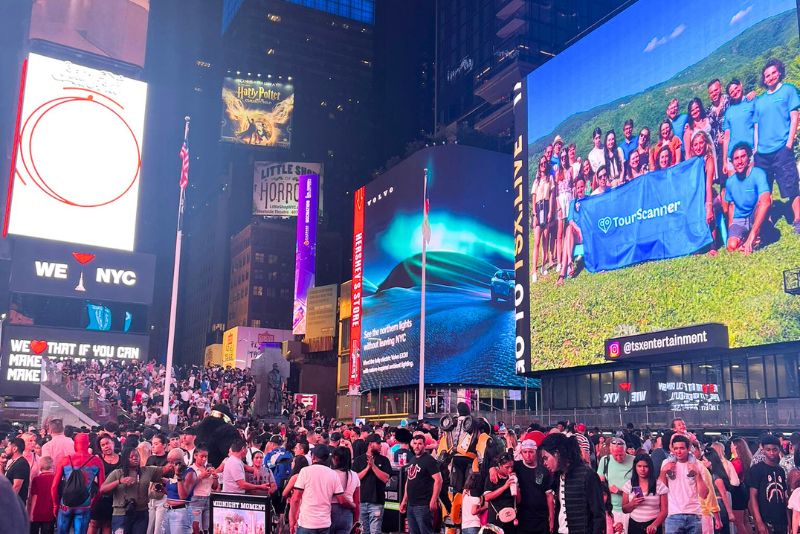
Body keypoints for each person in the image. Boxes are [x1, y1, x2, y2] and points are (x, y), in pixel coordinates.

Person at [753, 58, 800, 234]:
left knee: (791, 186)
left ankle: (797, 219)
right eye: (767, 75)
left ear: (779, 72)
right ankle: (767, 221)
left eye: (773, 73)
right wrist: (756, 148)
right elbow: (756, 126)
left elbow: (795, 117)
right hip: (762, 153)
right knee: (765, 189)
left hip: (782, 148)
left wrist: (789, 143)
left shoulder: (788, 90)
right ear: (764, 80)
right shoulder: (760, 101)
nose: (770, 77)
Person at [539, 433, 605, 534]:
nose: (544, 463)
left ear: (557, 453)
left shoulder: (588, 475)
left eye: (546, 458)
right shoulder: (558, 476)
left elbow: (598, 515)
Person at [100, 447, 168, 534]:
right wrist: (119, 481)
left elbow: (165, 469)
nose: (135, 458)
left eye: (137, 456)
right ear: (125, 458)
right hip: (121, 514)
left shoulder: (146, 471)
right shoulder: (117, 473)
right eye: (131, 457)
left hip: (141, 513)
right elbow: (102, 489)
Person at [291, 444, 353, 534]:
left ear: (313, 457)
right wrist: (353, 505)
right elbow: (341, 499)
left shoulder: (305, 471)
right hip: (324, 523)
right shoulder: (332, 474)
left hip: (307, 523)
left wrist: (293, 520)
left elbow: (295, 498)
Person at [52, 433, 105, 534]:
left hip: (65, 505)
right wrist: (92, 503)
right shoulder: (97, 461)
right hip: (84, 505)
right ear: (88, 444)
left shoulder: (65, 460)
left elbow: (54, 486)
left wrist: (55, 505)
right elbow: (101, 488)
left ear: (75, 444)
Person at [724, 143, 771, 255]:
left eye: (743, 156)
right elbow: (731, 206)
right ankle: (749, 240)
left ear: (749, 158)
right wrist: (731, 228)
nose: (739, 161)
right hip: (740, 219)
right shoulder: (730, 182)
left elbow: (766, 201)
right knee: (731, 246)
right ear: (732, 162)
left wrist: (752, 235)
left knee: (764, 201)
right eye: (736, 158)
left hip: (755, 215)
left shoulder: (758, 174)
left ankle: (755, 235)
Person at [659, 435, 709, 534]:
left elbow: (704, 495)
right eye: (676, 448)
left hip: (694, 514)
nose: (678, 451)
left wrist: (697, 474)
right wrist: (663, 471)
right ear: (672, 449)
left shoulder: (698, 465)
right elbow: (660, 489)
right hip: (673, 515)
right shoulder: (666, 463)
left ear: (688, 448)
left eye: (682, 448)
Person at [399, 434, 443, 534]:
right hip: (411, 505)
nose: (417, 446)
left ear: (424, 445)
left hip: (423, 505)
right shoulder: (412, 459)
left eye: (420, 444)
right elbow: (408, 481)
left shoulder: (429, 460)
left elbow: (438, 480)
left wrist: (433, 499)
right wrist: (404, 501)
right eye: (415, 443)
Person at [746, 434, 789, 534]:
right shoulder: (756, 469)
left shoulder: (781, 470)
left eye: (775, 449)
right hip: (765, 519)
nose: (771, 453)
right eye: (768, 450)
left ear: (779, 450)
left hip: (781, 520)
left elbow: (785, 497)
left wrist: (789, 521)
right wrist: (759, 522)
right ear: (763, 450)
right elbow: (753, 497)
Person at [354, 433, 391, 534]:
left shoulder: (384, 460)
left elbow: (386, 478)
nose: (380, 445)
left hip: (377, 502)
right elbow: (355, 479)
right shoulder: (358, 460)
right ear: (370, 444)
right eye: (378, 443)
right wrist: (367, 468)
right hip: (361, 502)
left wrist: (373, 466)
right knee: (363, 531)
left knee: (375, 531)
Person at [622, 454, 668, 534]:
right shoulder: (629, 485)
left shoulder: (659, 485)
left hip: (653, 524)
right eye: (639, 466)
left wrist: (654, 525)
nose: (642, 469)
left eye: (645, 466)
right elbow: (624, 509)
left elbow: (664, 511)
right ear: (635, 467)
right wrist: (632, 504)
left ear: (650, 468)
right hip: (634, 525)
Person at [597, 436, 634, 531]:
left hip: (630, 509)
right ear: (610, 451)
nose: (618, 458)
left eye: (621, 455)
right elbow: (600, 485)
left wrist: (621, 492)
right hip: (611, 509)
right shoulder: (605, 461)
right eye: (615, 455)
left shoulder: (634, 461)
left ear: (625, 450)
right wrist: (607, 489)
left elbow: (640, 487)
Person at [89, 434, 120, 534]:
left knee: (107, 524)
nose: (106, 446)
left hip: (114, 496)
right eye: (103, 445)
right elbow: (91, 476)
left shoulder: (122, 459)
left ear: (113, 443)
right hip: (98, 496)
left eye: (107, 443)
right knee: (94, 523)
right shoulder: (97, 459)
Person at [483, 453, 519, 534]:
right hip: (495, 522)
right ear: (500, 465)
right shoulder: (492, 477)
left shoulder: (513, 477)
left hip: (510, 521)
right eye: (507, 467)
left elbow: (518, 501)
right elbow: (487, 497)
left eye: (511, 467)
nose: (510, 470)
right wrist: (504, 487)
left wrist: (516, 486)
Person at [531, 155, 554, 282]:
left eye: (545, 163)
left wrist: (550, 211)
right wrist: (534, 215)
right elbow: (533, 198)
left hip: (546, 208)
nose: (543, 165)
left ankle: (544, 265)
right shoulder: (536, 181)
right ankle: (534, 270)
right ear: (539, 166)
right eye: (541, 164)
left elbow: (550, 196)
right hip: (538, 209)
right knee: (537, 242)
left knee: (546, 239)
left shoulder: (550, 179)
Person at [184, 448, 217, 534]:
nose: (204, 459)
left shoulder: (207, 469)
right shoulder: (190, 469)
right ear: (195, 456)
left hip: (208, 498)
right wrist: (200, 476)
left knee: (207, 528)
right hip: (195, 499)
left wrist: (215, 477)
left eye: (206, 457)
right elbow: (188, 486)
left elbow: (214, 486)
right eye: (202, 456)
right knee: (196, 529)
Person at [701, 447, 733, 534]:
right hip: (713, 505)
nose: (702, 462)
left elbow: (723, 494)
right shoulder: (709, 475)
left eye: (703, 460)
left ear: (710, 461)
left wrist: (730, 513)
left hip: (718, 505)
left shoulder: (716, 477)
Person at [330, 446, 360, 534]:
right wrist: (356, 520)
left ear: (335, 458)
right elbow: (357, 501)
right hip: (348, 513)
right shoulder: (354, 475)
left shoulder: (330, 473)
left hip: (330, 512)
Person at [161, 449, 192, 534]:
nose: (169, 465)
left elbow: (183, 497)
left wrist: (178, 476)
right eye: (168, 462)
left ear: (179, 462)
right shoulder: (173, 472)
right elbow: (173, 494)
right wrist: (163, 489)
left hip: (181, 513)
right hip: (169, 511)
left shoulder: (189, 472)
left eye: (171, 462)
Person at [145, 434, 168, 534]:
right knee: (148, 527)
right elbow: (146, 475)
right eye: (152, 444)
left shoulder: (168, 459)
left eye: (156, 444)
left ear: (164, 445)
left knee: (158, 528)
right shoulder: (150, 459)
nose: (153, 446)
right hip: (150, 495)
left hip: (163, 495)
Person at [30, 456, 56, 534]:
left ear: (40, 466)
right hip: (50, 512)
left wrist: (31, 513)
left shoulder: (36, 479)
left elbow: (35, 497)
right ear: (52, 466)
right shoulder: (56, 479)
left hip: (37, 512)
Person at [4, 437, 30, 504]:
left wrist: (7, 502)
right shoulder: (15, 462)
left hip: (15, 505)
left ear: (15, 449)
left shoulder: (21, 464)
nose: (5, 449)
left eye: (8, 447)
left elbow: (16, 486)